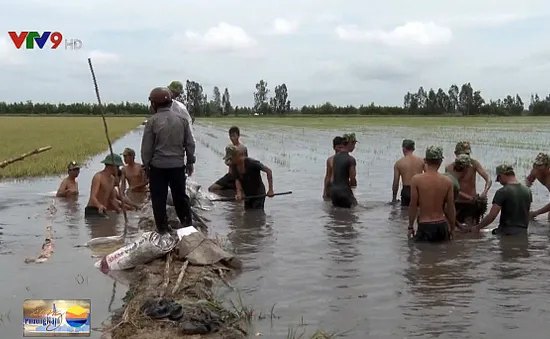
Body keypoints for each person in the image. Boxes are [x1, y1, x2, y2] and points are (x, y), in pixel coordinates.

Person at [141, 87, 195, 233]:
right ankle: (187, 227)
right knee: (180, 197)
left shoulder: (152, 122)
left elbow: (146, 148)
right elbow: (190, 143)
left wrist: (146, 166)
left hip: (158, 168)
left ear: (154, 104)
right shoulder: (182, 120)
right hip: (177, 166)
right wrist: (190, 161)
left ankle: (163, 230)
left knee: (159, 199)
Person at [408, 145, 456, 242]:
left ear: (425, 160)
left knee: (424, 255)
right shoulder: (447, 181)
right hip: (441, 225)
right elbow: (450, 207)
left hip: (425, 225)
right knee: (442, 255)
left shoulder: (416, 180)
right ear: (440, 161)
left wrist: (410, 227)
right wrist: (452, 228)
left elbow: (413, 205)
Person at [472, 164, 532, 235]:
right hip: (523, 232)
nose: (500, 182)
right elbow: (526, 213)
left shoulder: (502, 191)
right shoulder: (528, 191)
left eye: (498, 179)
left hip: (506, 232)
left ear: (501, 175)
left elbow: (492, 216)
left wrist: (477, 227)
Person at [445, 141, 492, 225]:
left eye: (467, 154)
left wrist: (485, 192)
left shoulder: (474, 164)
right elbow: (452, 188)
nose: (465, 157)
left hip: (471, 204)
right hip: (457, 203)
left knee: (472, 229)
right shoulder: (450, 168)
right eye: (462, 154)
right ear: (456, 154)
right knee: (454, 227)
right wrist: (469, 197)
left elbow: (488, 179)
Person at [226, 144, 274, 210]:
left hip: (258, 194)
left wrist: (270, 190)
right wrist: (239, 192)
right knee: (247, 214)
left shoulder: (252, 163)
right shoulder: (234, 166)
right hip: (247, 195)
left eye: (231, 158)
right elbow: (237, 179)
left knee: (257, 214)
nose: (230, 161)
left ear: (237, 156)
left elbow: (268, 171)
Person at [208, 126, 249, 192]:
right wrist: (228, 162)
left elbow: (246, 162)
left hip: (239, 176)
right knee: (211, 188)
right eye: (230, 136)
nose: (232, 138)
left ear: (238, 136)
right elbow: (227, 161)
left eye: (234, 136)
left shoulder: (242, 148)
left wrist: (233, 162)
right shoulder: (229, 148)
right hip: (230, 175)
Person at [392, 139, 424, 206]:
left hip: (406, 191)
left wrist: (394, 199)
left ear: (403, 149)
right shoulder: (421, 161)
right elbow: (430, 175)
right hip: (418, 189)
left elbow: (396, 183)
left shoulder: (398, 163)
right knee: (418, 211)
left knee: (404, 213)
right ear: (414, 149)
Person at [331, 133, 358, 208]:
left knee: (336, 215)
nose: (354, 147)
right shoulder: (351, 159)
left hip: (334, 193)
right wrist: (353, 186)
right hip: (344, 192)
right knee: (354, 212)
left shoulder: (335, 157)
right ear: (350, 143)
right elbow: (352, 179)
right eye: (354, 144)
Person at [526, 153, 550, 220]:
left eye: (540, 165)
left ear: (547, 166)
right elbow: (528, 181)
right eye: (535, 164)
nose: (536, 167)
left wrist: (536, 213)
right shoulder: (535, 171)